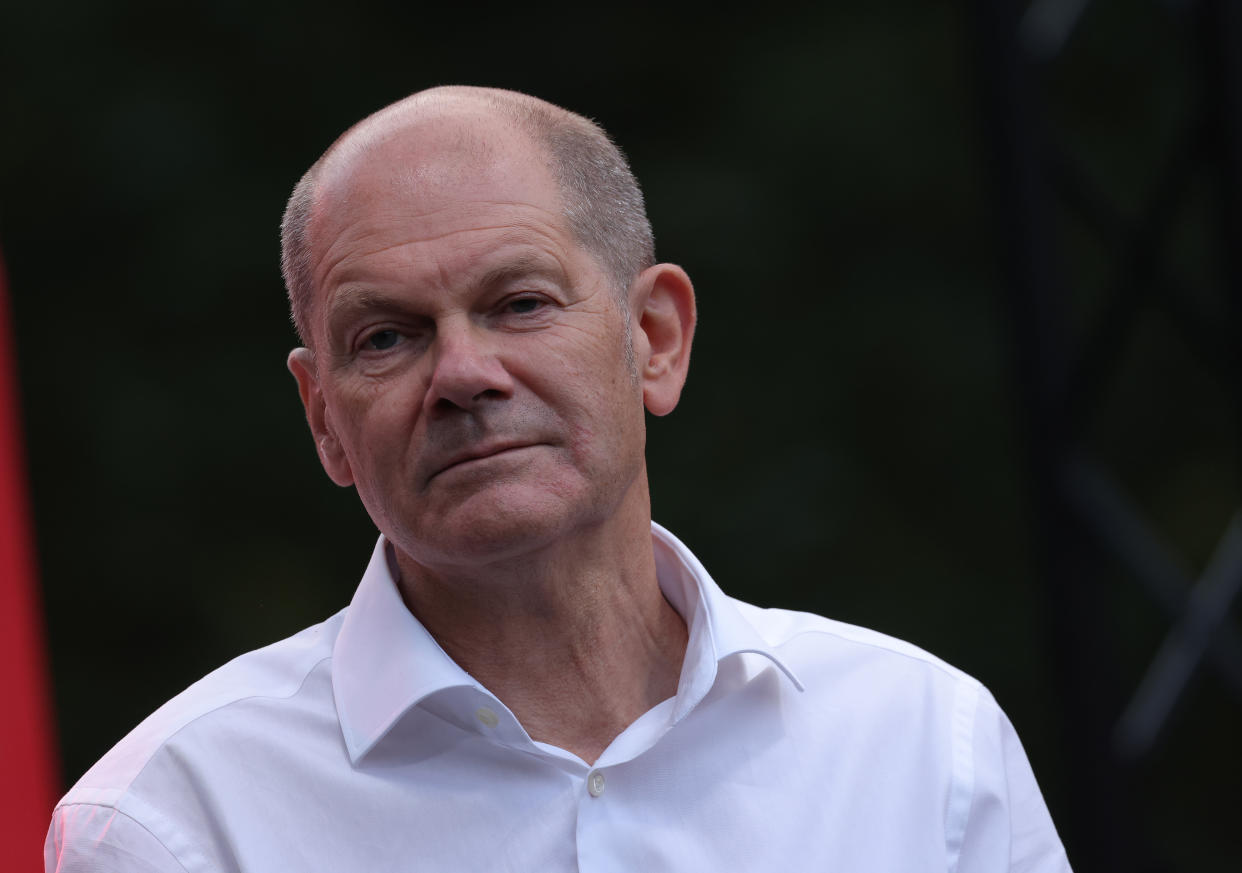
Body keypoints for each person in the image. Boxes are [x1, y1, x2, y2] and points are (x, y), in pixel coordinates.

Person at [45, 86, 1072, 872]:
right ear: (327, 421)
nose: (462, 375)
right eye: (388, 336)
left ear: (655, 338)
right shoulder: (175, 820)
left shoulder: (923, 744)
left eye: (520, 303)